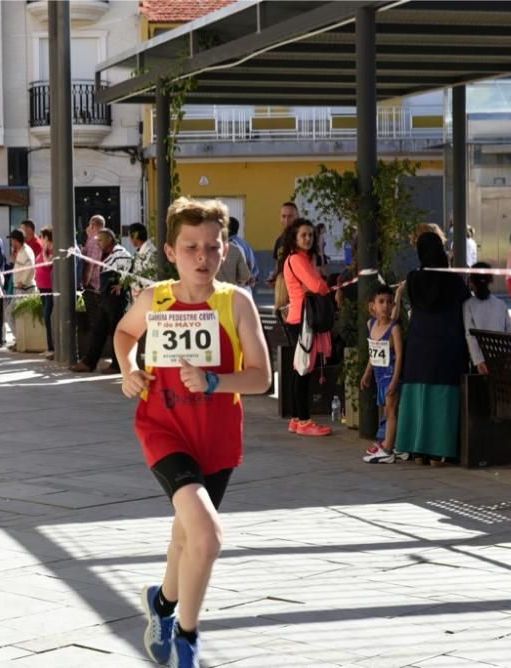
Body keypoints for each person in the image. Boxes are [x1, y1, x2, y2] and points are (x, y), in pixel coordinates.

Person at [113, 196, 270, 668]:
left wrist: (216, 380)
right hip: (163, 429)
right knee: (208, 534)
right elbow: (124, 334)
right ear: (170, 251)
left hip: (217, 439)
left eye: (212, 247)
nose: (202, 258)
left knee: (189, 538)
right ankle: (188, 635)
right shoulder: (154, 298)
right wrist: (129, 367)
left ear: (226, 249)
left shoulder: (236, 303)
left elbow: (262, 377)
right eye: (190, 248)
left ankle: (161, 604)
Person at [395, 232, 470, 465]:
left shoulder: (413, 279)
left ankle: (418, 450)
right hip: (447, 347)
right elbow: (466, 303)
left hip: (419, 346)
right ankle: (440, 451)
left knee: (419, 397)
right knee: (442, 400)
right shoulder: (454, 281)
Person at [282, 218, 332, 437]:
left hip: (300, 318)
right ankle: (304, 420)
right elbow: (317, 285)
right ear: (294, 237)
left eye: (310, 235)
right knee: (303, 370)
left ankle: (296, 418)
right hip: (304, 320)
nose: (308, 238)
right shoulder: (297, 260)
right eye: (303, 234)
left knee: (299, 369)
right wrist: (322, 285)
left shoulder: (301, 259)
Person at [71, 230, 131, 374]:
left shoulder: (120, 252)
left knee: (116, 332)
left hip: (115, 299)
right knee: (99, 330)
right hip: (106, 298)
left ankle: (117, 365)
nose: (98, 244)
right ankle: (89, 363)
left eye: (101, 240)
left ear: (110, 239)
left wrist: (122, 284)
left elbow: (128, 264)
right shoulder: (109, 254)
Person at [361, 285, 404, 464]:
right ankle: (392, 444)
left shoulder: (394, 329)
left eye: (388, 302)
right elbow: (373, 352)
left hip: (391, 373)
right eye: (381, 302)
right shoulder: (371, 324)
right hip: (379, 374)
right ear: (373, 306)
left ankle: (387, 450)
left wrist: (395, 380)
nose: (385, 306)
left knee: (391, 411)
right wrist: (367, 373)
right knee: (386, 410)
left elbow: (400, 355)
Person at [463, 262, 511, 375]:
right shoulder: (501, 304)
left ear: (471, 281)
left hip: (481, 361)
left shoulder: (468, 305)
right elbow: (509, 332)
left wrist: (478, 361)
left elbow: (470, 335)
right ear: (490, 280)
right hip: (501, 359)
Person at [82, 215, 107, 330]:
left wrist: (85, 282)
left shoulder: (93, 240)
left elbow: (90, 264)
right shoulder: (103, 239)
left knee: (95, 318)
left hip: (93, 285)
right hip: (101, 283)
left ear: (92, 225)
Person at [36, 226, 55, 360]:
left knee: (48, 316)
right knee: (45, 316)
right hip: (42, 287)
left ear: (47, 238)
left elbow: (48, 264)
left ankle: (52, 347)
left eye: (41, 236)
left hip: (50, 288)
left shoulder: (52, 249)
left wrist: (44, 251)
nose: (40, 239)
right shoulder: (45, 250)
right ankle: (49, 346)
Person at [268, 201, 297, 286]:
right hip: (282, 289)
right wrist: (273, 277)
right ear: (280, 218)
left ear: (297, 217)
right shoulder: (279, 240)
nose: (286, 220)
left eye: (290, 216)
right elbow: (278, 264)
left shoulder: (301, 239)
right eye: (283, 216)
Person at [227, 217, 258, 288]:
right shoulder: (244, 244)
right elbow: (253, 265)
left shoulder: (231, 245)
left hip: (236, 287)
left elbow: (249, 264)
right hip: (245, 287)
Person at [129, 222, 157, 299]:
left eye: (130, 236)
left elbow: (153, 278)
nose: (129, 240)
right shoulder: (141, 251)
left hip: (147, 299)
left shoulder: (150, 252)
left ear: (135, 236)